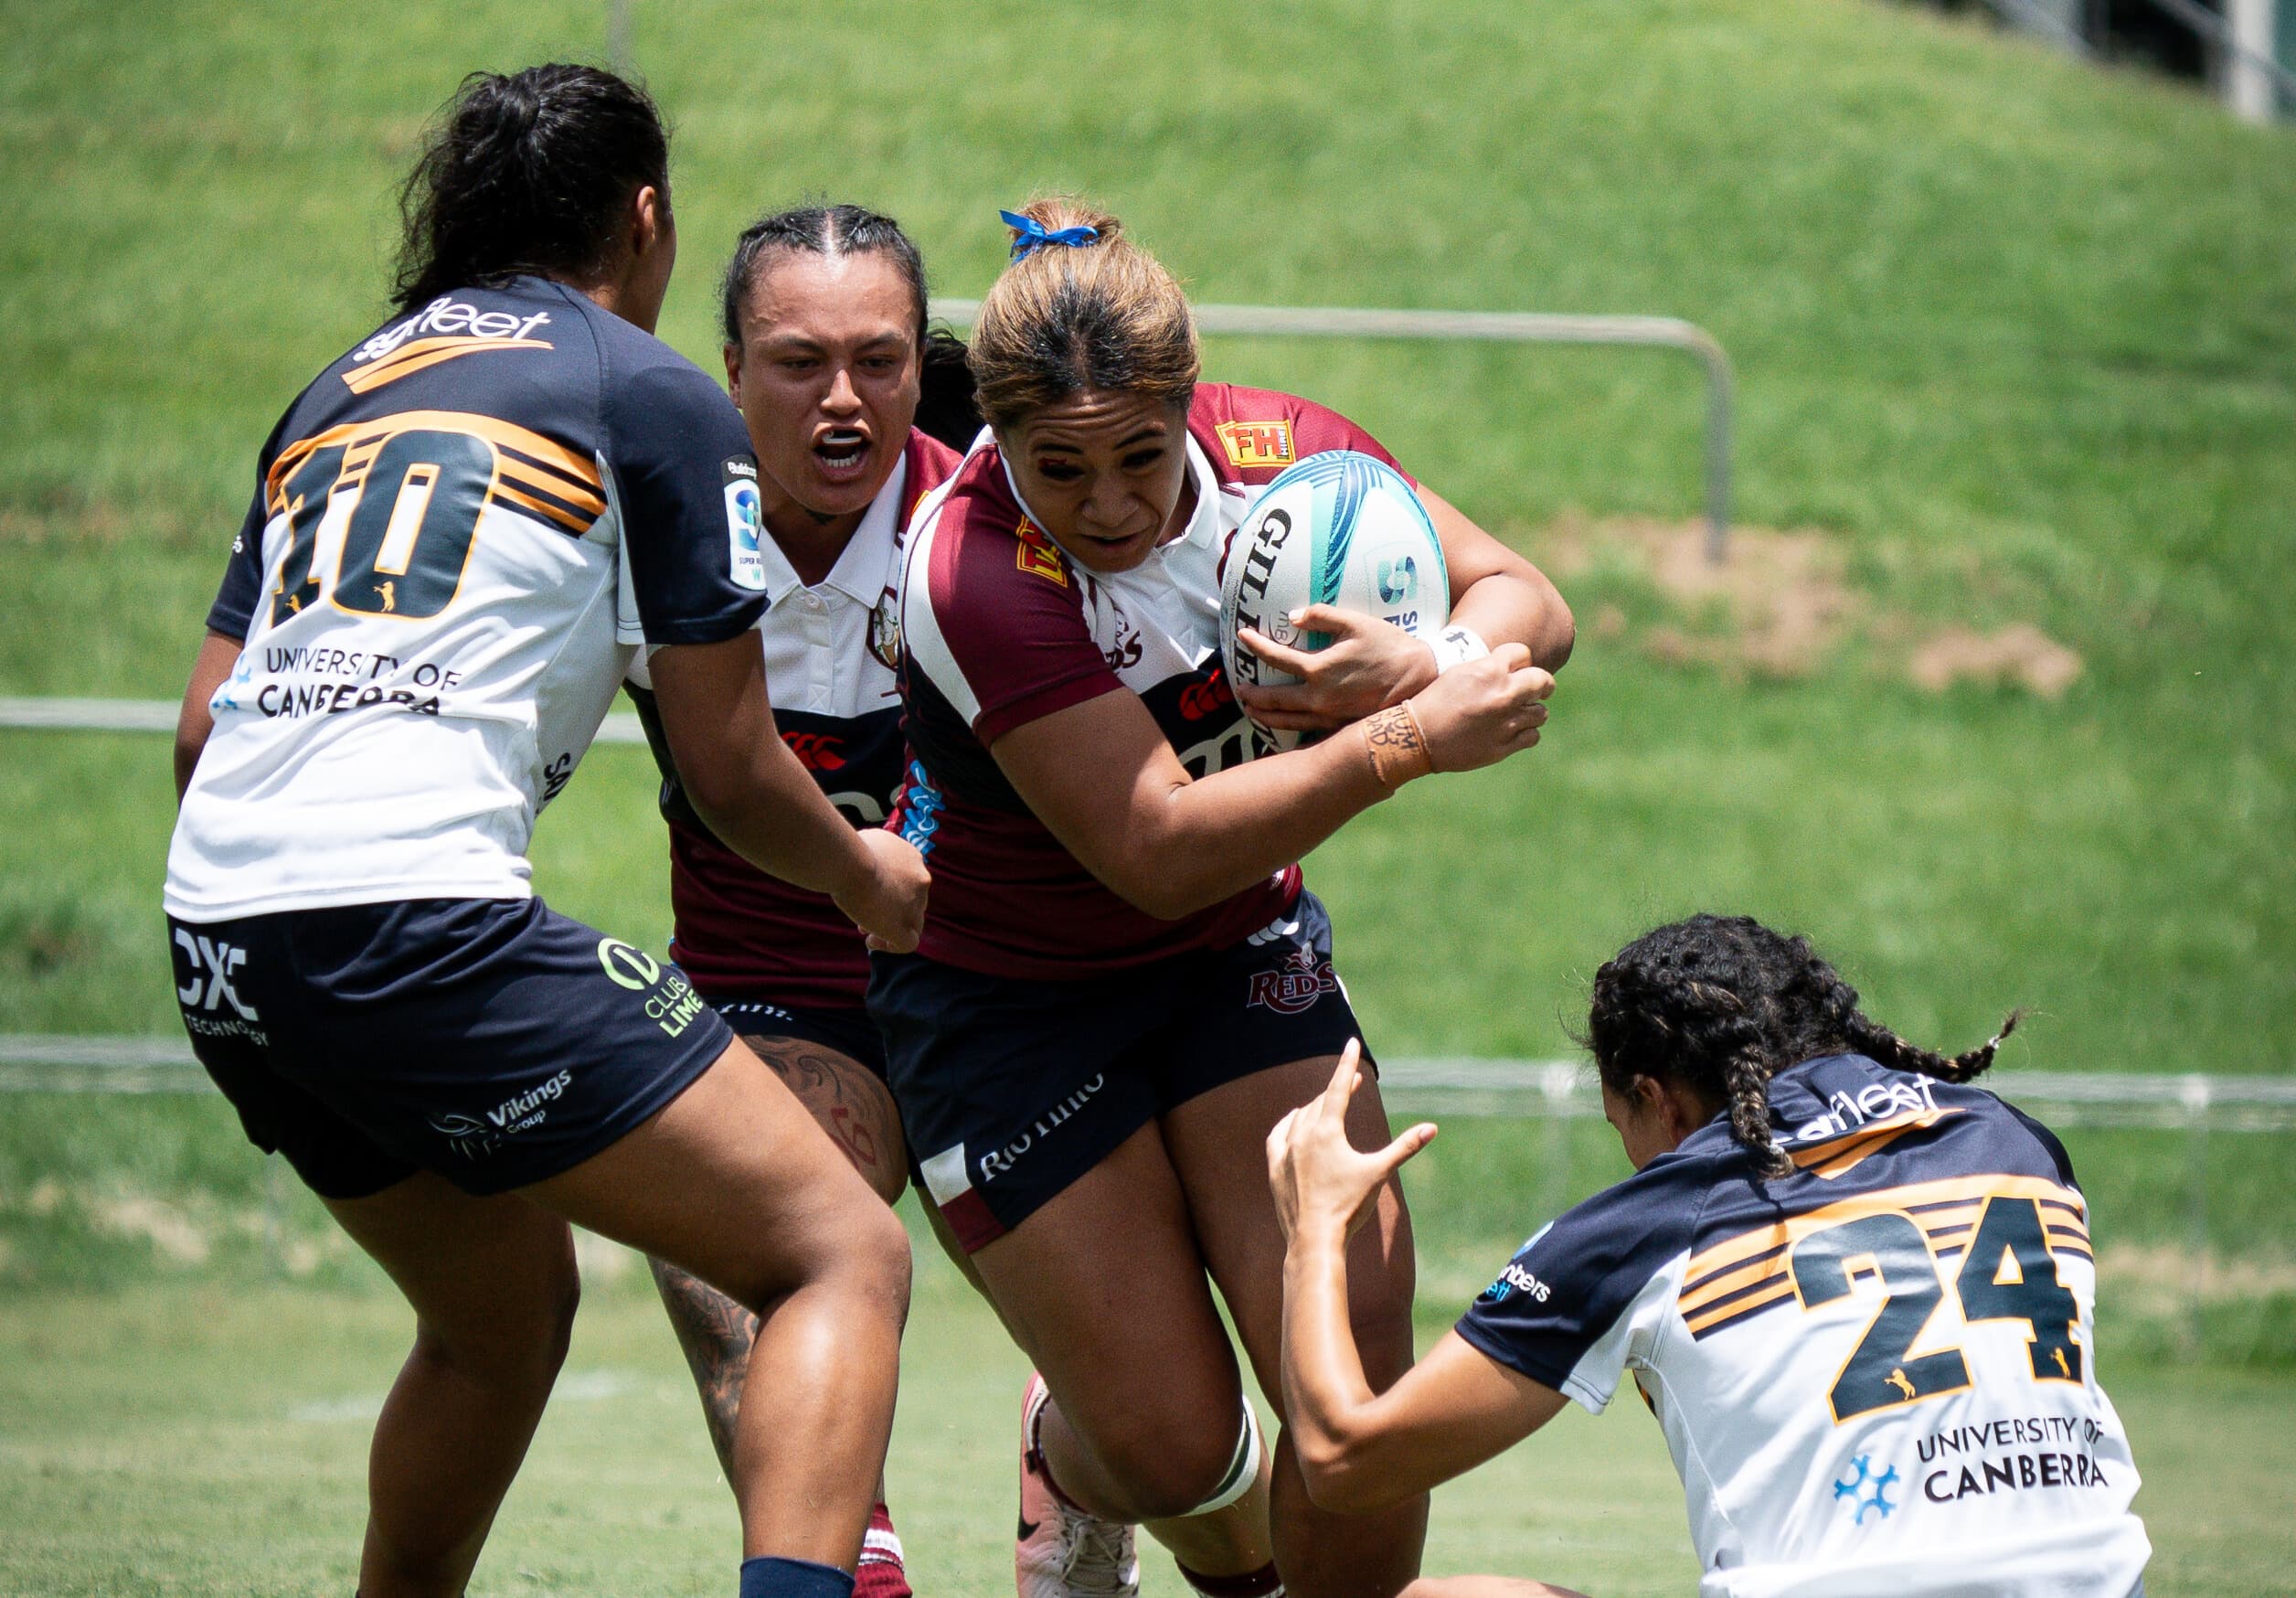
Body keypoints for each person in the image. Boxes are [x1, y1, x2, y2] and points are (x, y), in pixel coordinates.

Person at [163, 66, 928, 1598]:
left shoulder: (344, 387)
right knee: (840, 1247)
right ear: (645, 218)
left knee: (499, 1319)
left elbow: (202, 727)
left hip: (223, 936)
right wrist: (864, 872)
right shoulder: (643, 390)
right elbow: (727, 764)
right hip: (422, 921)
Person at [874, 197, 1574, 1598]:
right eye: (1059, 469)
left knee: (1356, 1402)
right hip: (1010, 1009)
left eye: (1140, 456)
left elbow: (1525, 600)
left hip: (1235, 954)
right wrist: (1406, 737)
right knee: (1180, 1450)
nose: (1114, 506)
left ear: (1194, 408)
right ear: (998, 443)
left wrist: (1420, 654)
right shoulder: (969, 570)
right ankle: (1070, 1463)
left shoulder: (1288, 458)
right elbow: (1158, 843)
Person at [1264, 914, 2151, 1598]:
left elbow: (1345, 1458)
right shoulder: (2012, 1139)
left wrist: (1309, 1231)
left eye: (1623, 1126)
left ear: (1656, 1098)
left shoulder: (1657, 1215)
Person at [622, 202, 976, 1598]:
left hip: (998, 993)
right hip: (763, 991)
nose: (843, 398)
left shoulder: (995, 517)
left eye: (880, 360)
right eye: (797, 362)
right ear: (726, 375)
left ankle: (1076, 1471)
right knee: (751, 1278)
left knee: (1161, 1434)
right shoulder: (649, 535)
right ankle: (851, 1575)